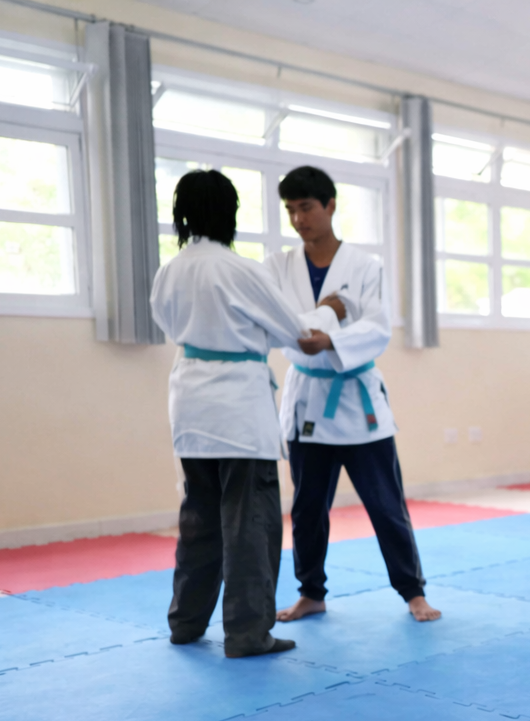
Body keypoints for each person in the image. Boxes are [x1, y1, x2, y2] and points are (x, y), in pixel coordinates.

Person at [150, 169, 321, 658]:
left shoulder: (170, 270)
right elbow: (297, 332)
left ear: (182, 216)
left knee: (199, 518)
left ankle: (185, 623)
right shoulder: (241, 270)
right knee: (250, 524)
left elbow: (168, 323)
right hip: (238, 410)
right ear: (231, 214)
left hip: (189, 403)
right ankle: (247, 634)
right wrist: (327, 311)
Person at [264, 166, 440, 625]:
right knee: (307, 509)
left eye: (306, 207)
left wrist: (329, 336)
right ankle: (312, 593)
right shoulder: (278, 266)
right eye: (290, 210)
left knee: (386, 504)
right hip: (307, 403)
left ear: (330, 206)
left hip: (359, 403)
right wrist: (329, 313)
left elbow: (377, 327)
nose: (298, 219)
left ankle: (412, 592)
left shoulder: (365, 266)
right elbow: (284, 328)